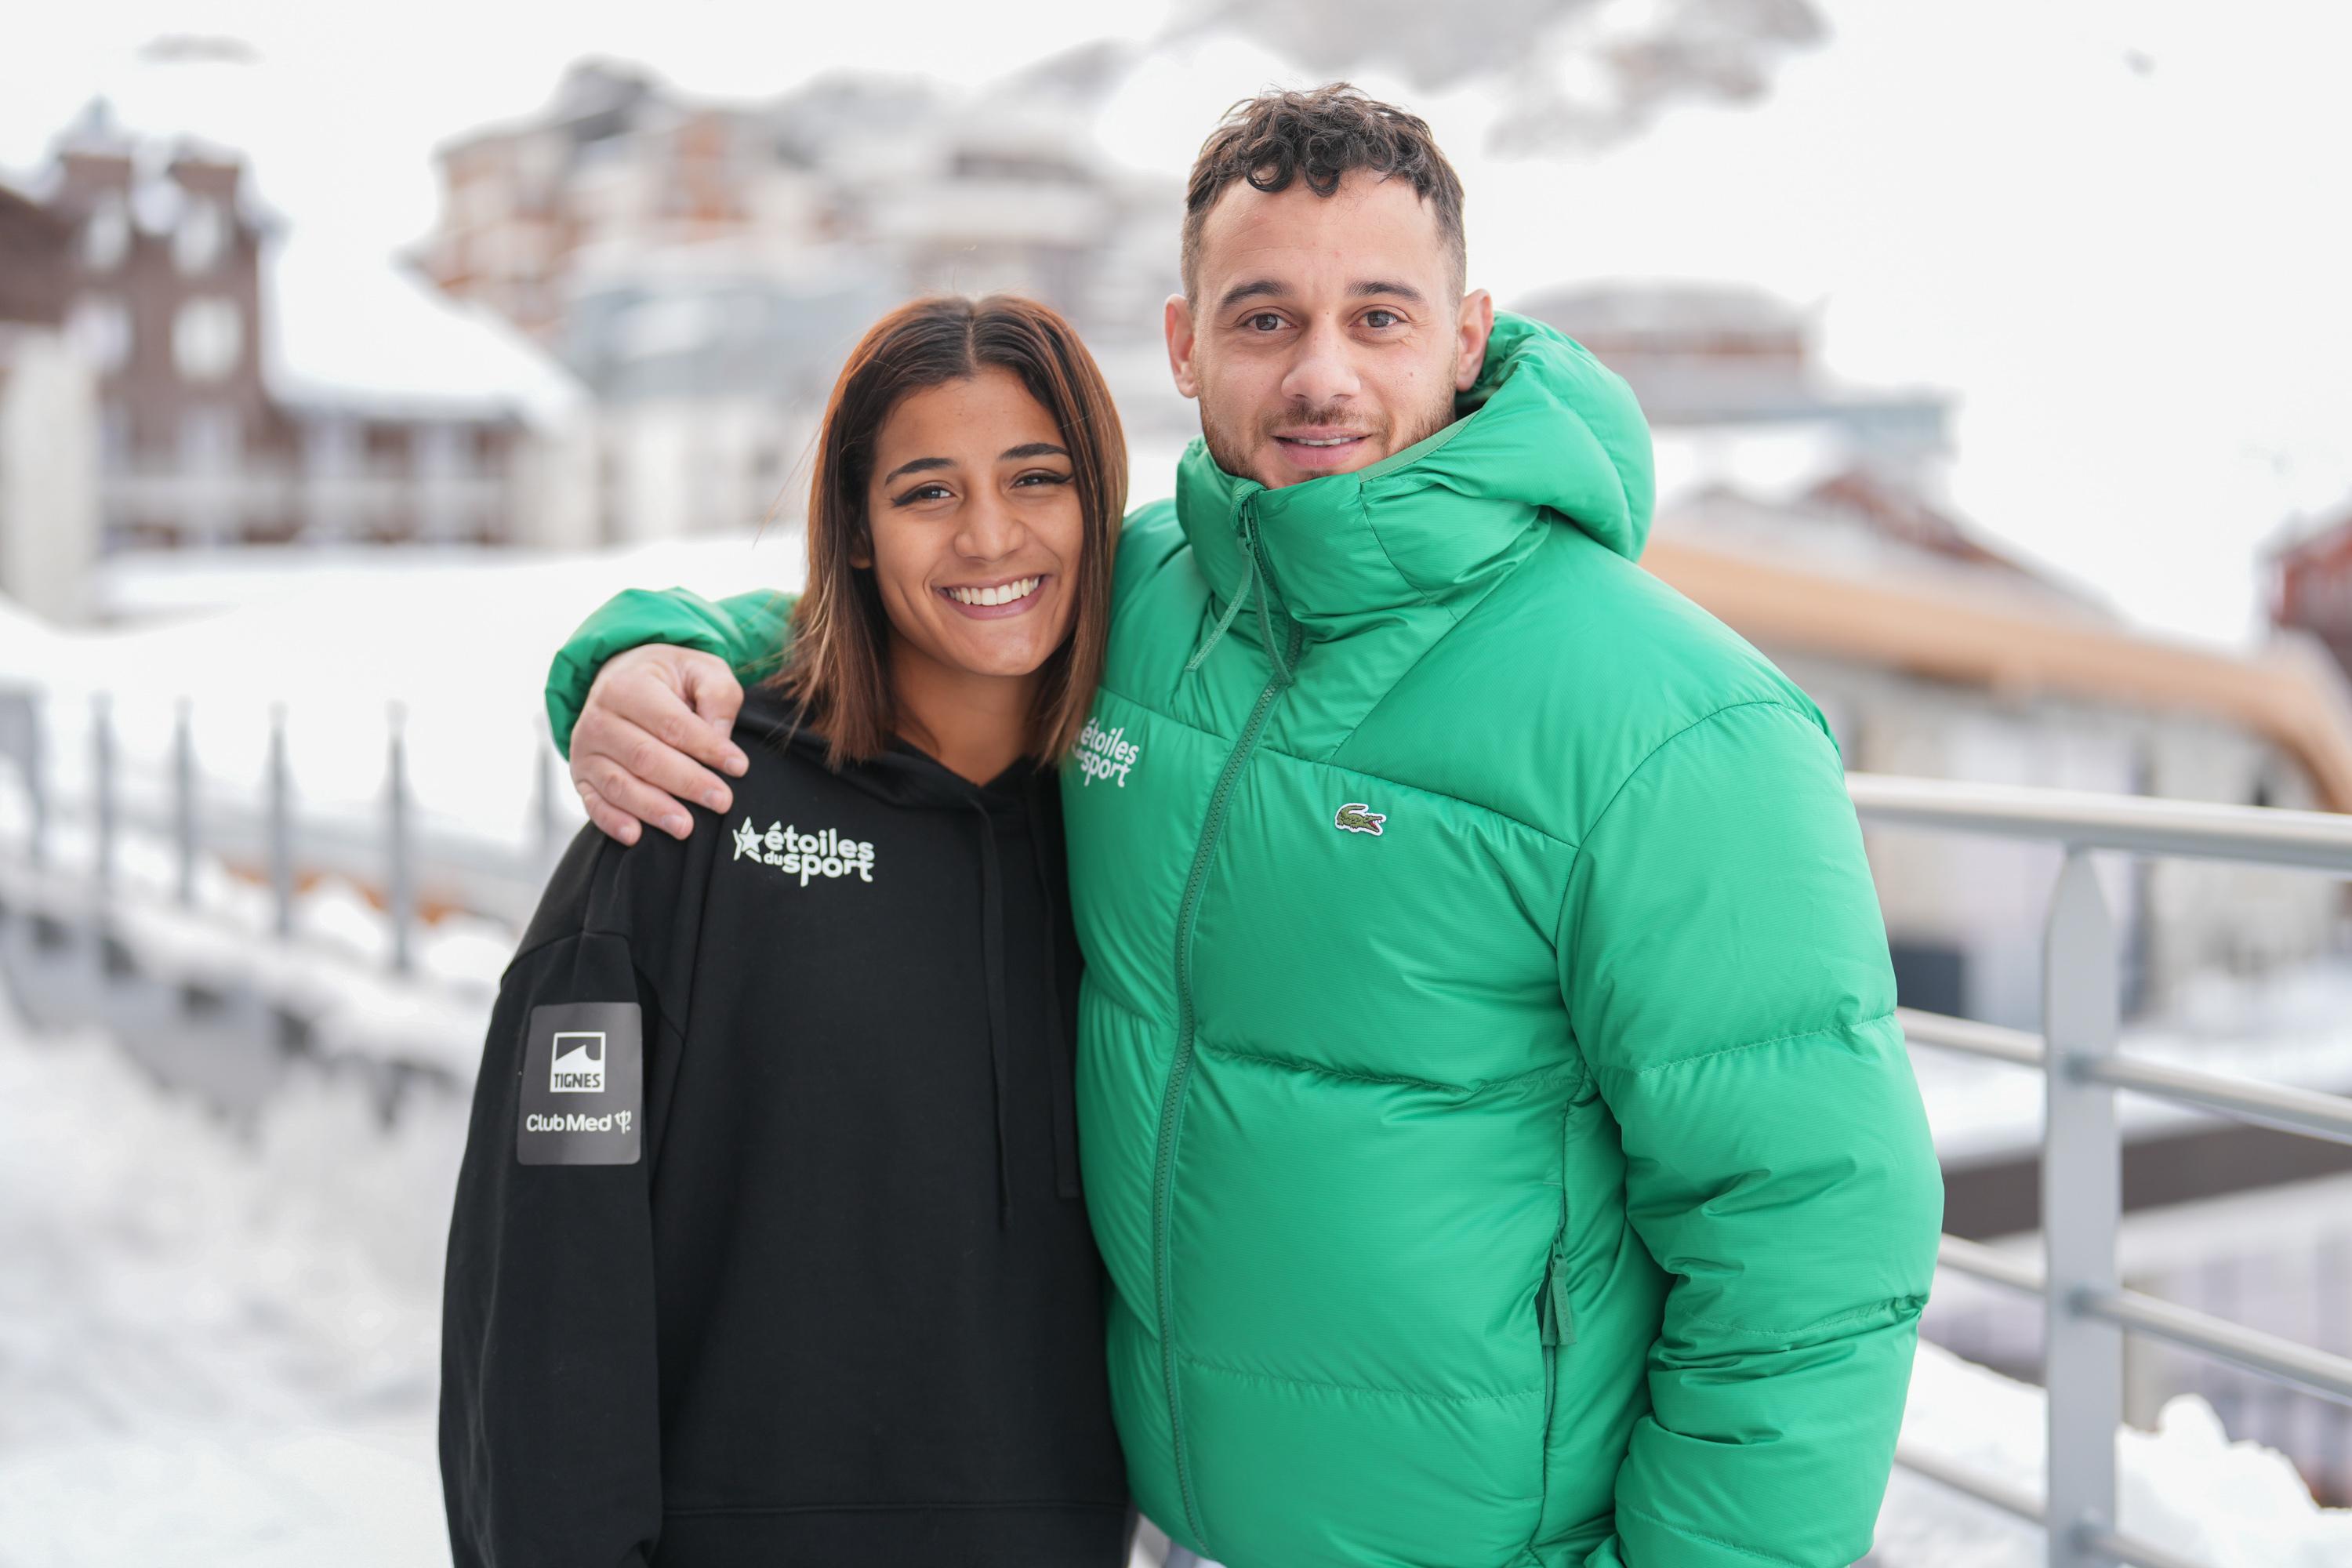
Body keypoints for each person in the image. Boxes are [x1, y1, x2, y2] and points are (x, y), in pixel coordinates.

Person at [544, 85, 1945, 1568]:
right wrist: (641, 650)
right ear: (1184, 343)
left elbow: (1812, 1238)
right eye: (1266, 318)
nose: (1320, 376)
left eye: (1381, 318)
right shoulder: (1137, 605)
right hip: (1160, 1524)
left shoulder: (1675, 726)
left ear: (1468, 338)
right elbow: (880, 630)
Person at [439, 295, 1135, 1566]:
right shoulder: (687, 808)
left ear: (1101, 503)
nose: (991, 536)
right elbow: (543, 1287)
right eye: (927, 492)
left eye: (1037, 478)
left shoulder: (1134, 833)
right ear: (857, 535)